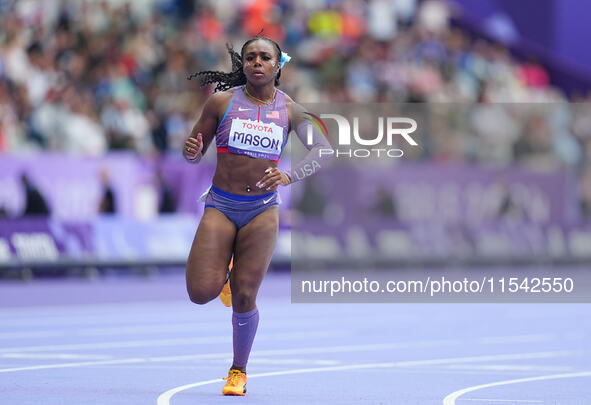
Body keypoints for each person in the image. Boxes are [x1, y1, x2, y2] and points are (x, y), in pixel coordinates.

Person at [182, 35, 331, 396]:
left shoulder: (291, 110)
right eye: (250, 57)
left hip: (262, 211)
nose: (257, 63)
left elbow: (323, 150)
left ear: (278, 66)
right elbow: (193, 154)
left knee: (246, 296)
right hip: (221, 205)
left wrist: (289, 175)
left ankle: (238, 371)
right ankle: (226, 278)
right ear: (243, 64)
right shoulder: (220, 103)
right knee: (200, 292)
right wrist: (190, 152)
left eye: (265, 57)